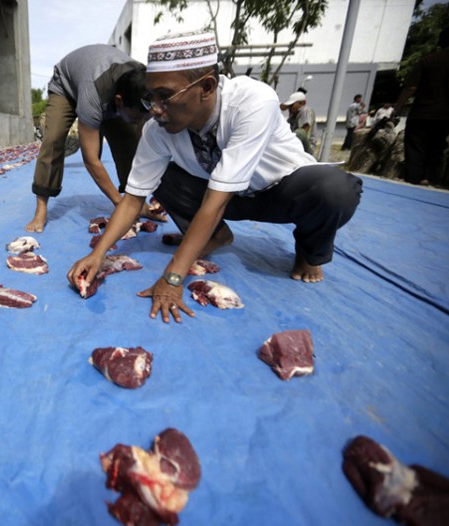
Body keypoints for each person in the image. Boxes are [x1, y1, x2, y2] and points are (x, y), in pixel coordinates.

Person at [67, 31, 363, 323]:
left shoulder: (252, 101)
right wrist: (99, 254)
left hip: (278, 191)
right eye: (150, 97)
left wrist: (172, 277)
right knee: (161, 176)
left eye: (165, 97)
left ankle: (310, 251)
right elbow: (133, 199)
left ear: (206, 86)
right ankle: (216, 235)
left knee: (335, 191)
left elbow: (215, 202)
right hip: (222, 197)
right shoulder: (158, 129)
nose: (155, 110)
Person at [25, 44, 165, 232]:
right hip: (66, 87)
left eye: (143, 117)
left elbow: (139, 143)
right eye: (135, 118)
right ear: (118, 101)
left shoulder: (143, 84)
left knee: (128, 140)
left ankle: (136, 202)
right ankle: (41, 210)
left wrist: (136, 200)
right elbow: (91, 160)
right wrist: (119, 204)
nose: (138, 122)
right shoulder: (94, 95)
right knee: (53, 139)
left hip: (103, 86)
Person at [393, 25, 449, 186]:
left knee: (415, 147)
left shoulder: (429, 60)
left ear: (442, 41)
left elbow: (411, 87)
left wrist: (397, 108)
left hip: (423, 112)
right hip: (447, 115)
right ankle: (429, 177)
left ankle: (413, 179)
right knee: (437, 146)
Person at [282, 91, 318, 156]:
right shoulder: (293, 116)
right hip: (296, 144)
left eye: (292, 105)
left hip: (307, 147)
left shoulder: (305, 110)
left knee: (299, 133)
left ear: (301, 103)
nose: (290, 108)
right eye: (289, 106)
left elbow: (303, 131)